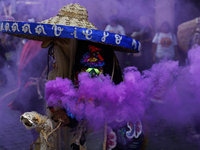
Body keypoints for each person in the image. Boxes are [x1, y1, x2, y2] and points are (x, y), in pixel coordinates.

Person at [1, 3, 142, 150]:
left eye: (57, 39)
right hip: (90, 126)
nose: (50, 45)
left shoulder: (92, 53)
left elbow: (92, 93)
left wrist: (68, 114)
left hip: (110, 128)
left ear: (66, 38)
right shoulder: (67, 50)